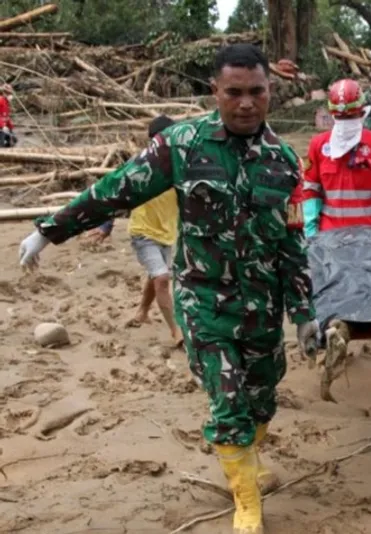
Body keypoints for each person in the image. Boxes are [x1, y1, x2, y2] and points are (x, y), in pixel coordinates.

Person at [18, 43, 319, 534]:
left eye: (257, 92)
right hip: (205, 303)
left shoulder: (284, 161)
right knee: (227, 403)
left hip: (263, 306)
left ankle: (247, 461)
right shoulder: (182, 145)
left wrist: (304, 312)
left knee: (263, 399)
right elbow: (117, 188)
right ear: (214, 92)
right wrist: (49, 229)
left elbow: (291, 244)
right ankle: (247, 503)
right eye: (234, 92)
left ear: (271, 93)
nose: (246, 103)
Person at [84, 115, 183, 347]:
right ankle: (175, 330)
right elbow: (119, 196)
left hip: (166, 234)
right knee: (161, 278)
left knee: (155, 275)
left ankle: (142, 312)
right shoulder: (141, 169)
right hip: (142, 232)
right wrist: (106, 226)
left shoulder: (180, 169)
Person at [302, 78, 371, 239]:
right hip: (330, 239)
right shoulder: (319, 146)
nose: (345, 122)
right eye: (340, 117)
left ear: (361, 112)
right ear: (332, 115)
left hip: (369, 240)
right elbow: (310, 192)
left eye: (350, 116)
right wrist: (310, 233)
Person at [0, 83, 17, 148]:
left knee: (14, 140)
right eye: (8, 93)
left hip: (4, 127)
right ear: (4, 93)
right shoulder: (1, 101)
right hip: (1, 127)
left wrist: (10, 126)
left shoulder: (6, 102)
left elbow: (6, 117)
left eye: (10, 93)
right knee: (2, 143)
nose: (10, 95)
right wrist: (2, 126)